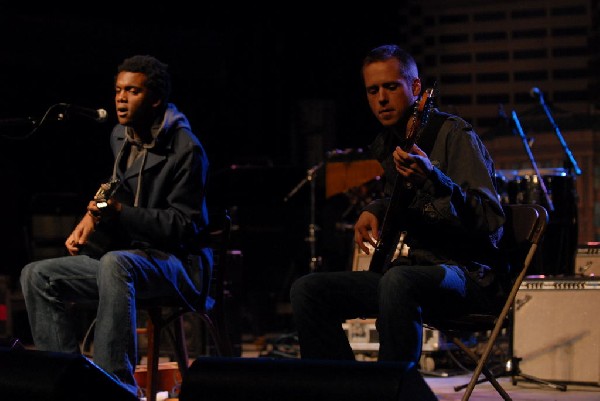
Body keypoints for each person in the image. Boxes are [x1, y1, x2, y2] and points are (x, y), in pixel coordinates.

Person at [290, 44, 506, 368]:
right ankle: (342, 389)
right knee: (308, 290)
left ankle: (391, 390)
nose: (381, 99)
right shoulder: (389, 143)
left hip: (467, 275)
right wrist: (376, 207)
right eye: (372, 90)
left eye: (391, 87)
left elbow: (490, 221)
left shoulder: (454, 134)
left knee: (397, 281)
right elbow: (402, 201)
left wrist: (434, 180)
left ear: (415, 87)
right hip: (414, 273)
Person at [20, 55, 211, 397]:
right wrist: (90, 216)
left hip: (178, 265)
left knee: (115, 262)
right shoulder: (120, 136)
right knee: (36, 275)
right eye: (118, 90)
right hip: (129, 262)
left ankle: (114, 389)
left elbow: (184, 226)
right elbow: (115, 184)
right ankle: (67, 385)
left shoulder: (185, 148)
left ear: (154, 98)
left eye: (132, 91)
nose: (121, 98)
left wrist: (120, 212)